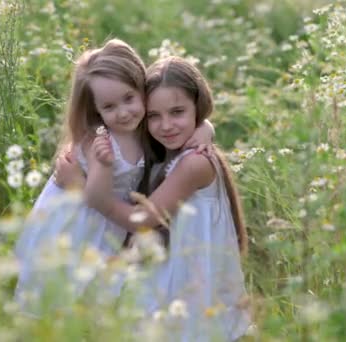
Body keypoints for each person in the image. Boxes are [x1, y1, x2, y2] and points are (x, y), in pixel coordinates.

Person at [14, 40, 214, 313]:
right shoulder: (102, 142)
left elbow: (184, 117)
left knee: (97, 295)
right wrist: (105, 166)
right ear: (97, 110)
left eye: (129, 98)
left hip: (109, 218)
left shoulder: (146, 124)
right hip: (80, 221)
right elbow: (96, 196)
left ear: (142, 88)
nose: (123, 112)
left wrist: (205, 128)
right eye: (109, 107)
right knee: (66, 291)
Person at [62, 56, 251, 341]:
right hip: (174, 271)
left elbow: (145, 219)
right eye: (154, 116)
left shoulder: (194, 163)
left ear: (196, 108)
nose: (166, 126)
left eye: (177, 112)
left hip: (193, 278)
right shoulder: (167, 152)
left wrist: (93, 196)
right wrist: (204, 128)